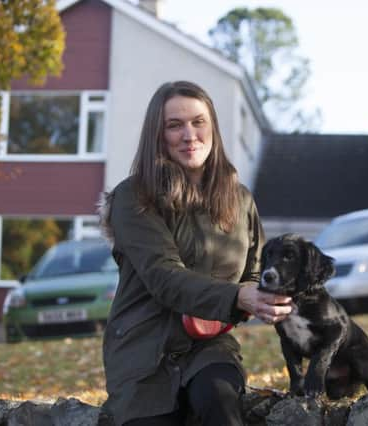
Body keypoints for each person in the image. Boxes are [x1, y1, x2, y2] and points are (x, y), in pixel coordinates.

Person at [100, 80, 293, 426]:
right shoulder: (133, 197)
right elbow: (163, 276)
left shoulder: (241, 199)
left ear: (213, 128)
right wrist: (237, 296)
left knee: (220, 402)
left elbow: (254, 271)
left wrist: (260, 298)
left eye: (198, 122)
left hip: (209, 347)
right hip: (144, 348)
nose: (189, 134)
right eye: (174, 125)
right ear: (158, 135)